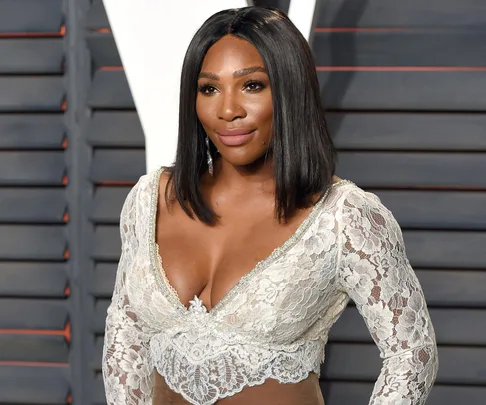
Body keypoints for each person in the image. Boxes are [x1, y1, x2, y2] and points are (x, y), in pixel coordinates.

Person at [102, 6, 438, 405]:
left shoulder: (343, 217)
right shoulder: (150, 200)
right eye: (209, 88)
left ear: (289, 89)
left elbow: (411, 355)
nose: (228, 110)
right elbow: (125, 335)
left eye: (252, 86)